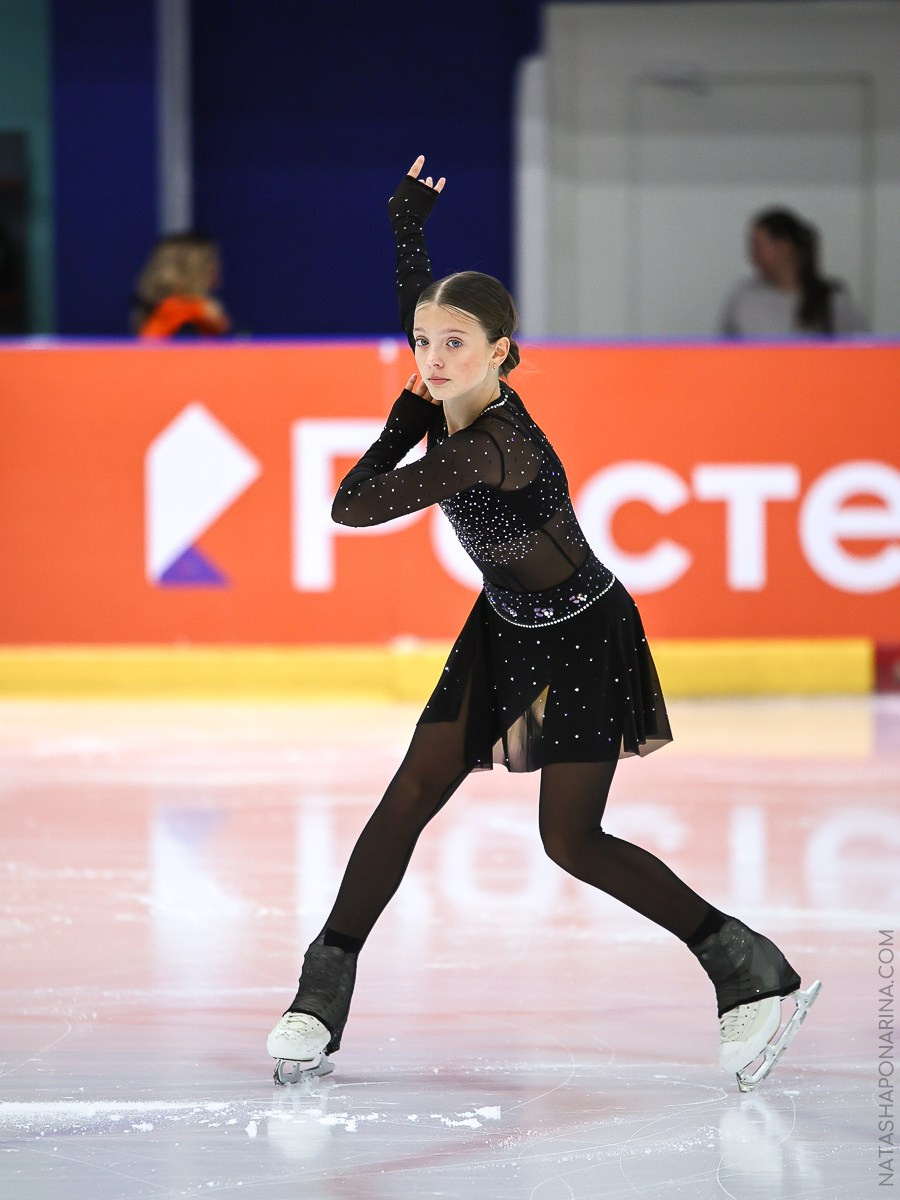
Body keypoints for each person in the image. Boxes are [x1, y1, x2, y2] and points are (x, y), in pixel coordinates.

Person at [267, 157, 820, 1090]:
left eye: (454, 344)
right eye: (421, 343)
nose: (432, 359)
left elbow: (351, 507)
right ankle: (319, 998)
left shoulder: (491, 446)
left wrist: (403, 420)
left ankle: (749, 969)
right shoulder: (452, 384)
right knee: (409, 793)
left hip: (585, 634)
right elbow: (419, 291)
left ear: (501, 353)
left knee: (572, 841)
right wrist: (407, 217)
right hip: (503, 623)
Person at [719, 207, 867, 339]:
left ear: (784, 246)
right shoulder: (745, 298)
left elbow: (860, 351)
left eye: (758, 246)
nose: (753, 256)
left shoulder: (832, 300)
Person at [131, 232, 230, 339]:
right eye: (211, 260)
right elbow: (148, 347)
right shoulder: (176, 310)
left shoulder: (204, 310)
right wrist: (198, 310)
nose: (217, 266)